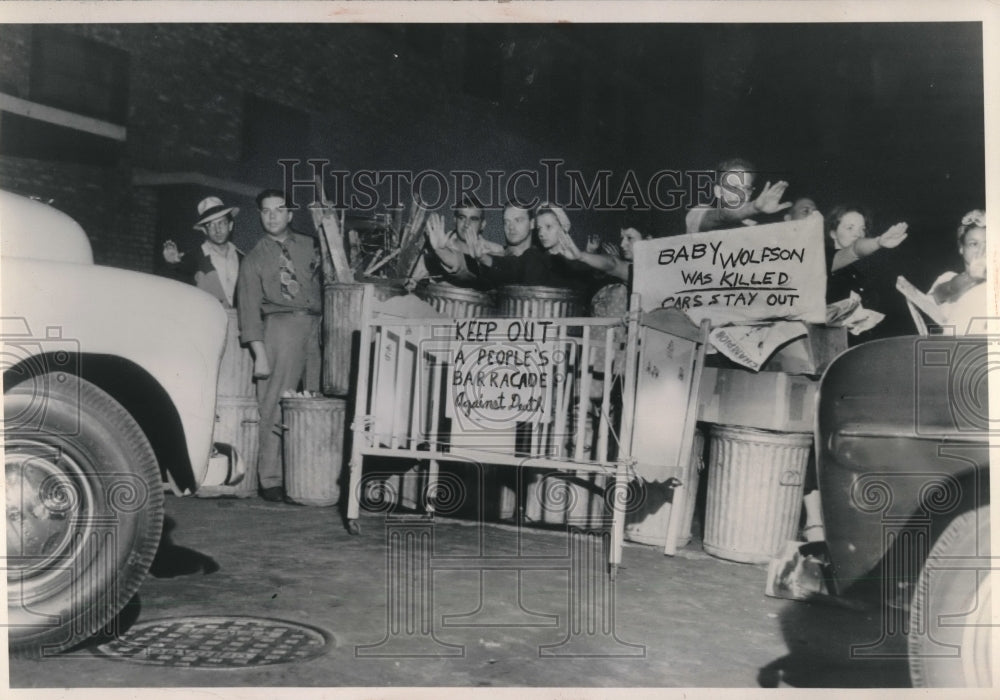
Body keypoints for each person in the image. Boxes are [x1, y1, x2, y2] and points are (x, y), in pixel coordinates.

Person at [236, 189, 323, 502]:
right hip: (280, 329)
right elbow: (248, 311)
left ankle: (311, 475)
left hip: (315, 326)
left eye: (279, 210)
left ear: (290, 214)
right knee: (274, 404)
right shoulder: (254, 259)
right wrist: (260, 355)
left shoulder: (312, 246)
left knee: (314, 404)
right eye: (266, 211)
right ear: (261, 216)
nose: (272, 215)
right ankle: (271, 479)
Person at [163, 196, 243, 307]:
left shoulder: (243, 258)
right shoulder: (193, 257)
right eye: (211, 225)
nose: (217, 229)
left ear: (230, 225)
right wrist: (172, 263)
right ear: (205, 230)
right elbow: (175, 289)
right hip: (206, 320)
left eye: (221, 223)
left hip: (237, 322)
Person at [412, 195, 503, 289]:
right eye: (462, 217)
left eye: (473, 219)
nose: (467, 224)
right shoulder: (435, 247)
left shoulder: (496, 251)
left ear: (482, 225)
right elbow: (411, 285)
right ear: (455, 221)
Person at [685, 157, 791, 233]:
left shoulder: (755, 229)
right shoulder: (696, 215)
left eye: (746, 188)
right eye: (733, 188)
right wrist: (754, 207)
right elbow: (723, 215)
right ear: (718, 191)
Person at [927, 209, 988, 335]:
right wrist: (970, 277)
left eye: (988, 244)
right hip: (956, 348)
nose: (982, 251)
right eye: (974, 244)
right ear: (961, 248)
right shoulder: (948, 278)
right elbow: (937, 295)